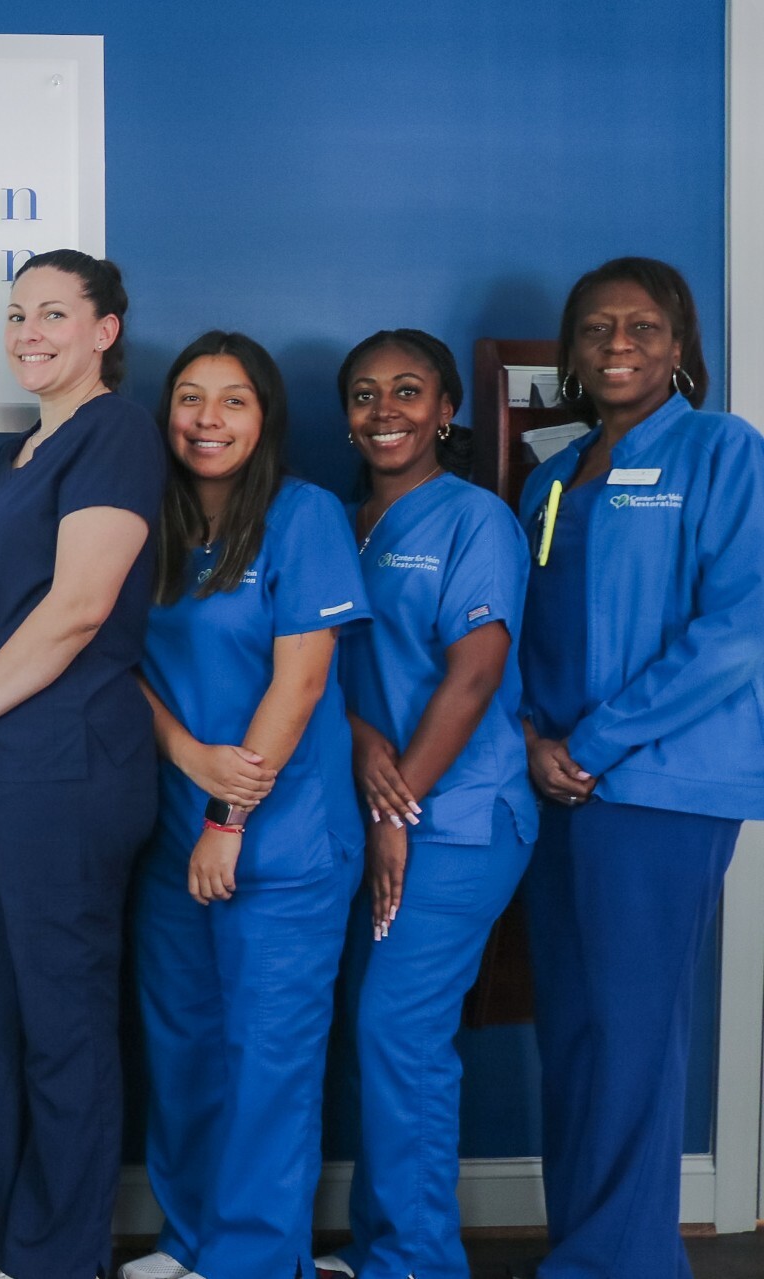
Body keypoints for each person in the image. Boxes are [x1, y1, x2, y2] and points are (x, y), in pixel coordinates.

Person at [517, 257, 764, 1279]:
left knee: (630, 1029)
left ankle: (621, 1265)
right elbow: (523, 632)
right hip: (556, 786)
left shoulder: (723, 451)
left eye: (646, 327)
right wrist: (535, 737)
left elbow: (737, 630)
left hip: (659, 786)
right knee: (572, 1029)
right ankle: (585, 1245)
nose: (620, 345)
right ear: (572, 352)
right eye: (597, 328)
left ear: (681, 346)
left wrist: (594, 743)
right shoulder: (547, 475)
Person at [0, 250, 162, 1279]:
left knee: (64, 1024)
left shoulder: (114, 434)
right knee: (0, 1023)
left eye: (55, 313)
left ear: (106, 329)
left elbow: (76, 609)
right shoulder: (17, 456)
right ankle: (13, 1251)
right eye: (18, 313)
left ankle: (63, 1259)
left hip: (67, 769)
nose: (29, 331)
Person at [127, 332, 369, 1279]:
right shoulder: (150, 517)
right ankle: (189, 1241)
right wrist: (188, 757)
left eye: (233, 400)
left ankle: (259, 1260)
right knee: (184, 1053)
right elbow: (123, 664)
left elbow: (301, 682)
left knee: (267, 1066)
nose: (207, 419)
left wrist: (229, 817)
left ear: (265, 416)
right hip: (171, 831)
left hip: (283, 843)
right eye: (191, 397)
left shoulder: (302, 515)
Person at [310, 330, 535, 1279]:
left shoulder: (476, 520)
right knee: (381, 1035)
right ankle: (382, 1246)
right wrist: (364, 747)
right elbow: (335, 673)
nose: (385, 410)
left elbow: (475, 675)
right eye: (365, 394)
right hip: (370, 811)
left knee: (398, 1034)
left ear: (447, 410)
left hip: (457, 817)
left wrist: (396, 811)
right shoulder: (337, 522)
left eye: (409, 391)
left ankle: (419, 1264)